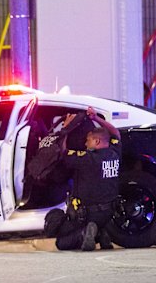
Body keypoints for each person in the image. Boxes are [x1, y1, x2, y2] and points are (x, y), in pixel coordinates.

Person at [46, 106, 121, 251]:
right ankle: (101, 232)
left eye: (88, 141)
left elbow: (63, 152)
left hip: (88, 214)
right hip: (109, 213)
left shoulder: (88, 158)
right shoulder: (115, 152)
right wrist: (96, 118)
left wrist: (66, 128)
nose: (85, 144)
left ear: (97, 142)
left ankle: (85, 232)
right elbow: (115, 133)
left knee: (61, 242)